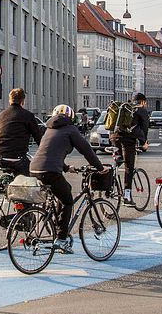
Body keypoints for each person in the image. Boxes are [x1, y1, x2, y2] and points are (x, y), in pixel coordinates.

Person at [29, 105, 107, 253]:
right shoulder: (71, 129)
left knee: (61, 195)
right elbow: (87, 150)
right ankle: (62, 239)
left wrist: (66, 167)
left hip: (34, 168)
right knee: (67, 200)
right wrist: (100, 167)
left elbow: (49, 153)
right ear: (71, 117)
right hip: (50, 171)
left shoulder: (48, 129)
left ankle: (57, 226)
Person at [0, 88, 44, 175]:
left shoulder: (1, 115)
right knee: (32, 175)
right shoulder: (28, 115)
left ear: (10, 100)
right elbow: (38, 137)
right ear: (23, 101)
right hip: (17, 158)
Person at [113, 93, 151, 206]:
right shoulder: (141, 110)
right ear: (143, 101)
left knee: (118, 160)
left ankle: (110, 181)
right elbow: (144, 128)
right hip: (128, 140)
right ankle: (127, 196)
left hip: (114, 137)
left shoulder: (125, 107)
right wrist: (144, 143)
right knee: (129, 168)